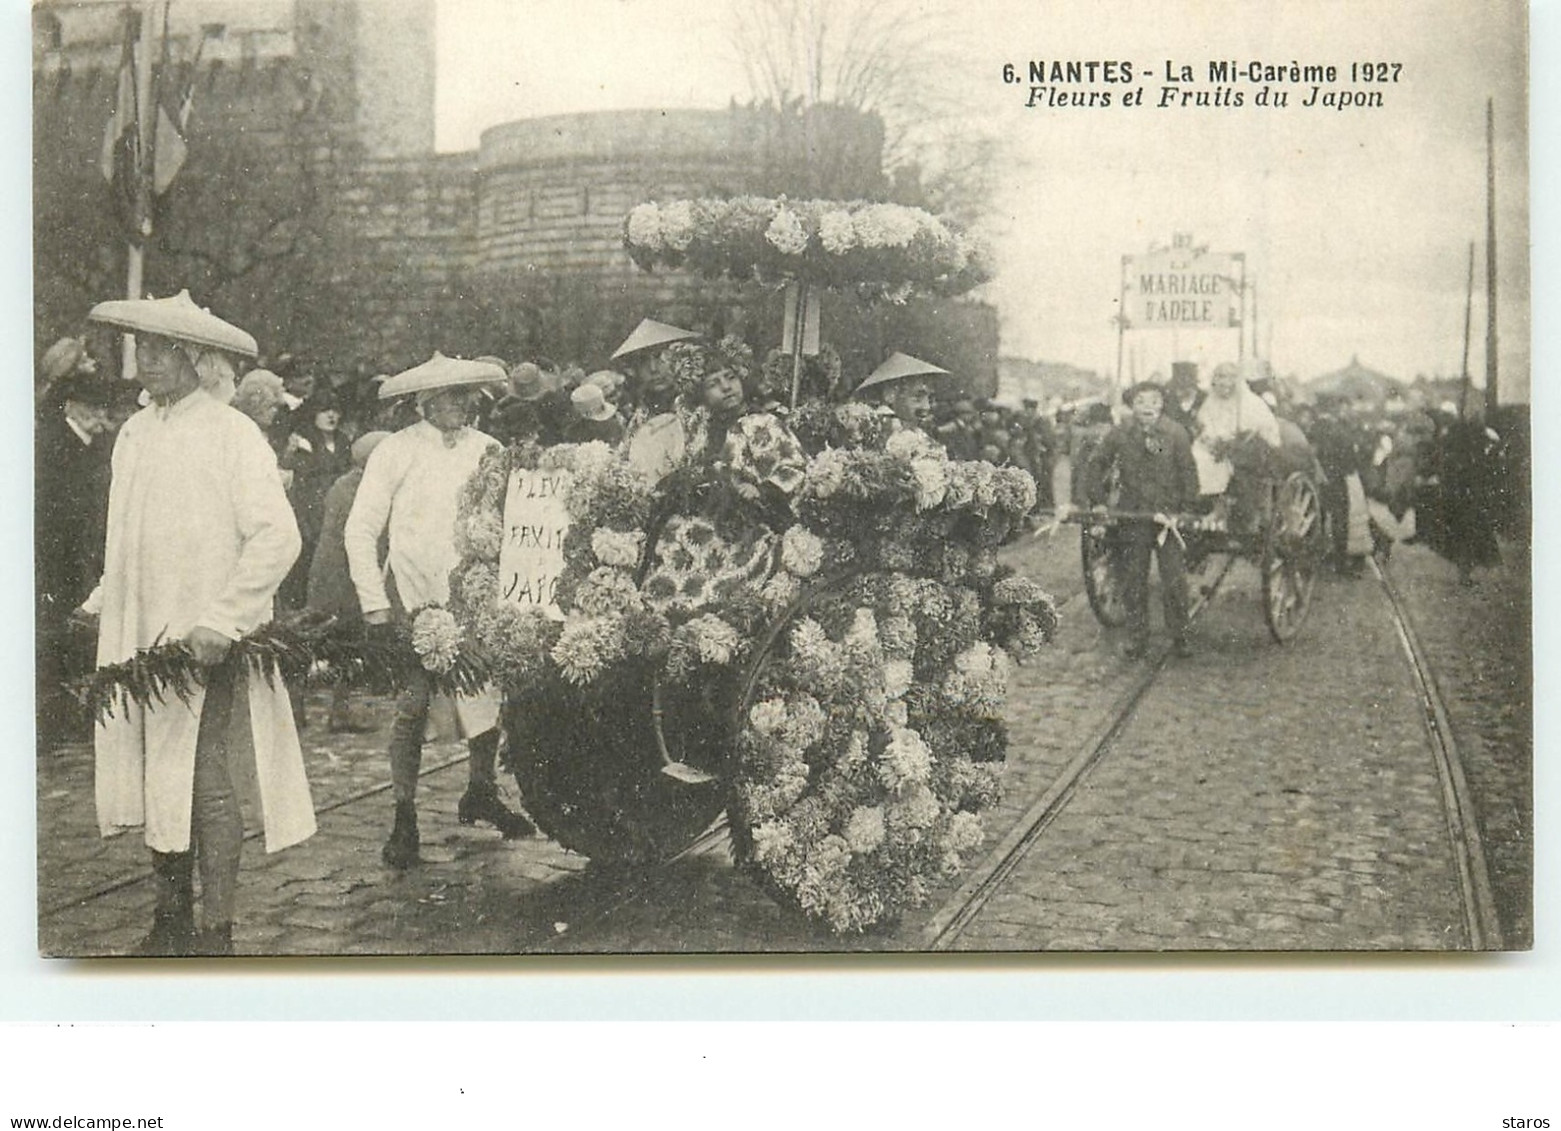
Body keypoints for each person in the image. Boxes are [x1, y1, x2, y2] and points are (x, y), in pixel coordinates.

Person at [79, 290, 316, 956]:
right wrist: (104, 600)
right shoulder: (135, 430)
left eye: (160, 350)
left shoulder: (231, 431)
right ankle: (168, 917)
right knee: (159, 767)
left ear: (198, 359)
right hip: (139, 637)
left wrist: (223, 618)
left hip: (200, 638)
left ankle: (217, 929)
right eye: (142, 348)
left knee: (204, 771)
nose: (145, 361)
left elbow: (278, 535)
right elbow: (127, 534)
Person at [344, 353, 534, 869]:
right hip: (412, 595)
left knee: (487, 695)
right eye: (448, 396)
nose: (460, 405)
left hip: (475, 593)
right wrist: (376, 606)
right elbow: (361, 529)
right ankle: (403, 817)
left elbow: (515, 518)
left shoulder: (490, 450)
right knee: (414, 704)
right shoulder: (396, 452)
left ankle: (481, 790)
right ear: (423, 401)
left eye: (467, 395)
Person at [1084, 380, 1200, 659]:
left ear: (1162, 404)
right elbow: (1096, 463)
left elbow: (1188, 472)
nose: (1147, 407)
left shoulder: (1175, 433)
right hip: (1132, 517)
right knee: (1133, 580)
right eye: (1140, 402)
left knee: (1173, 580)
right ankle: (1137, 638)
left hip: (1167, 520)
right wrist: (1098, 500)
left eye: (1153, 401)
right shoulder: (1120, 433)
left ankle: (1180, 636)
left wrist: (1186, 508)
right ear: (1132, 405)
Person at [35, 371, 115, 746]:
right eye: (95, 408)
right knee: (60, 633)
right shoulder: (52, 445)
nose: (102, 418)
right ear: (72, 407)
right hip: (59, 556)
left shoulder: (92, 445)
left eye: (104, 408)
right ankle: (58, 718)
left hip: (84, 553)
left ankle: (77, 713)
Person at [306, 430, 391, 732]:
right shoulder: (363, 489)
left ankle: (305, 708)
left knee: (326, 638)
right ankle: (339, 711)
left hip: (329, 570)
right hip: (343, 574)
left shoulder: (343, 484)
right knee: (347, 640)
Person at [1192, 361, 1283, 529]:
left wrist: (1232, 442)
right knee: (1198, 457)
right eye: (1220, 377)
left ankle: (1231, 510)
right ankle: (1210, 505)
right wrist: (1211, 441)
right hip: (1216, 446)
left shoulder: (1249, 402)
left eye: (1230, 377)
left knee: (1232, 463)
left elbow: (1259, 430)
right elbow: (1204, 426)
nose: (1225, 383)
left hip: (1246, 446)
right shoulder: (1210, 402)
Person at [854, 352, 949, 437]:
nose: (927, 407)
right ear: (890, 394)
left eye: (930, 398)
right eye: (918, 397)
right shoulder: (877, 431)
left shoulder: (918, 431)